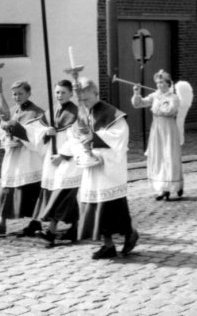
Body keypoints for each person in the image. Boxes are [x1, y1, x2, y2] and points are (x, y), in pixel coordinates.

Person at [73, 77, 139, 259]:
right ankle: (107, 244)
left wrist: (95, 138)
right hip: (92, 167)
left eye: (87, 99)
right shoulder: (84, 114)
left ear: (96, 94)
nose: (84, 103)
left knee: (112, 207)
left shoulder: (111, 113)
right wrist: (82, 149)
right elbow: (75, 136)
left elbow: (120, 135)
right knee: (95, 207)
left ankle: (130, 233)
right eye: (81, 100)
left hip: (109, 167)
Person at [0, 80, 45, 235]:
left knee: (33, 191)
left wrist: (20, 136)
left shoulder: (37, 112)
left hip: (30, 158)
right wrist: (6, 137)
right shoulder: (11, 111)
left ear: (29, 94)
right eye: (15, 94)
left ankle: (36, 222)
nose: (17, 97)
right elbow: (1, 130)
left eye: (20, 93)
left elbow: (38, 133)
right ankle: (0, 222)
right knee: (8, 188)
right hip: (14, 157)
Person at [26, 80, 82, 247]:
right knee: (58, 192)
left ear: (71, 94)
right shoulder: (52, 111)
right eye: (57, 92)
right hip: (52, 155)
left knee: (62, 192)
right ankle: (76, 227)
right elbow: (39, 130)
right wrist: (46, 132)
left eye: (63, 92)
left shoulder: (76, 113)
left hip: (68, 158)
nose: (59, 96)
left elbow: (77, 138)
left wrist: (64, 155)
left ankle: (51, 230)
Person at [131, 70, 183, 201]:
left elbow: (169, 110)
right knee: (158, 157)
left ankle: (173, 186)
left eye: (162, 82)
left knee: (169, 157)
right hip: (156, 129)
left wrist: (160, 101)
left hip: (168, 130)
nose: (160, 85)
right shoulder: (154, 96)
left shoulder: (174, 97)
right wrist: (136, 93)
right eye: (158, 83)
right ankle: (161, 188)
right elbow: (139, 104)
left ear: (168, 83)